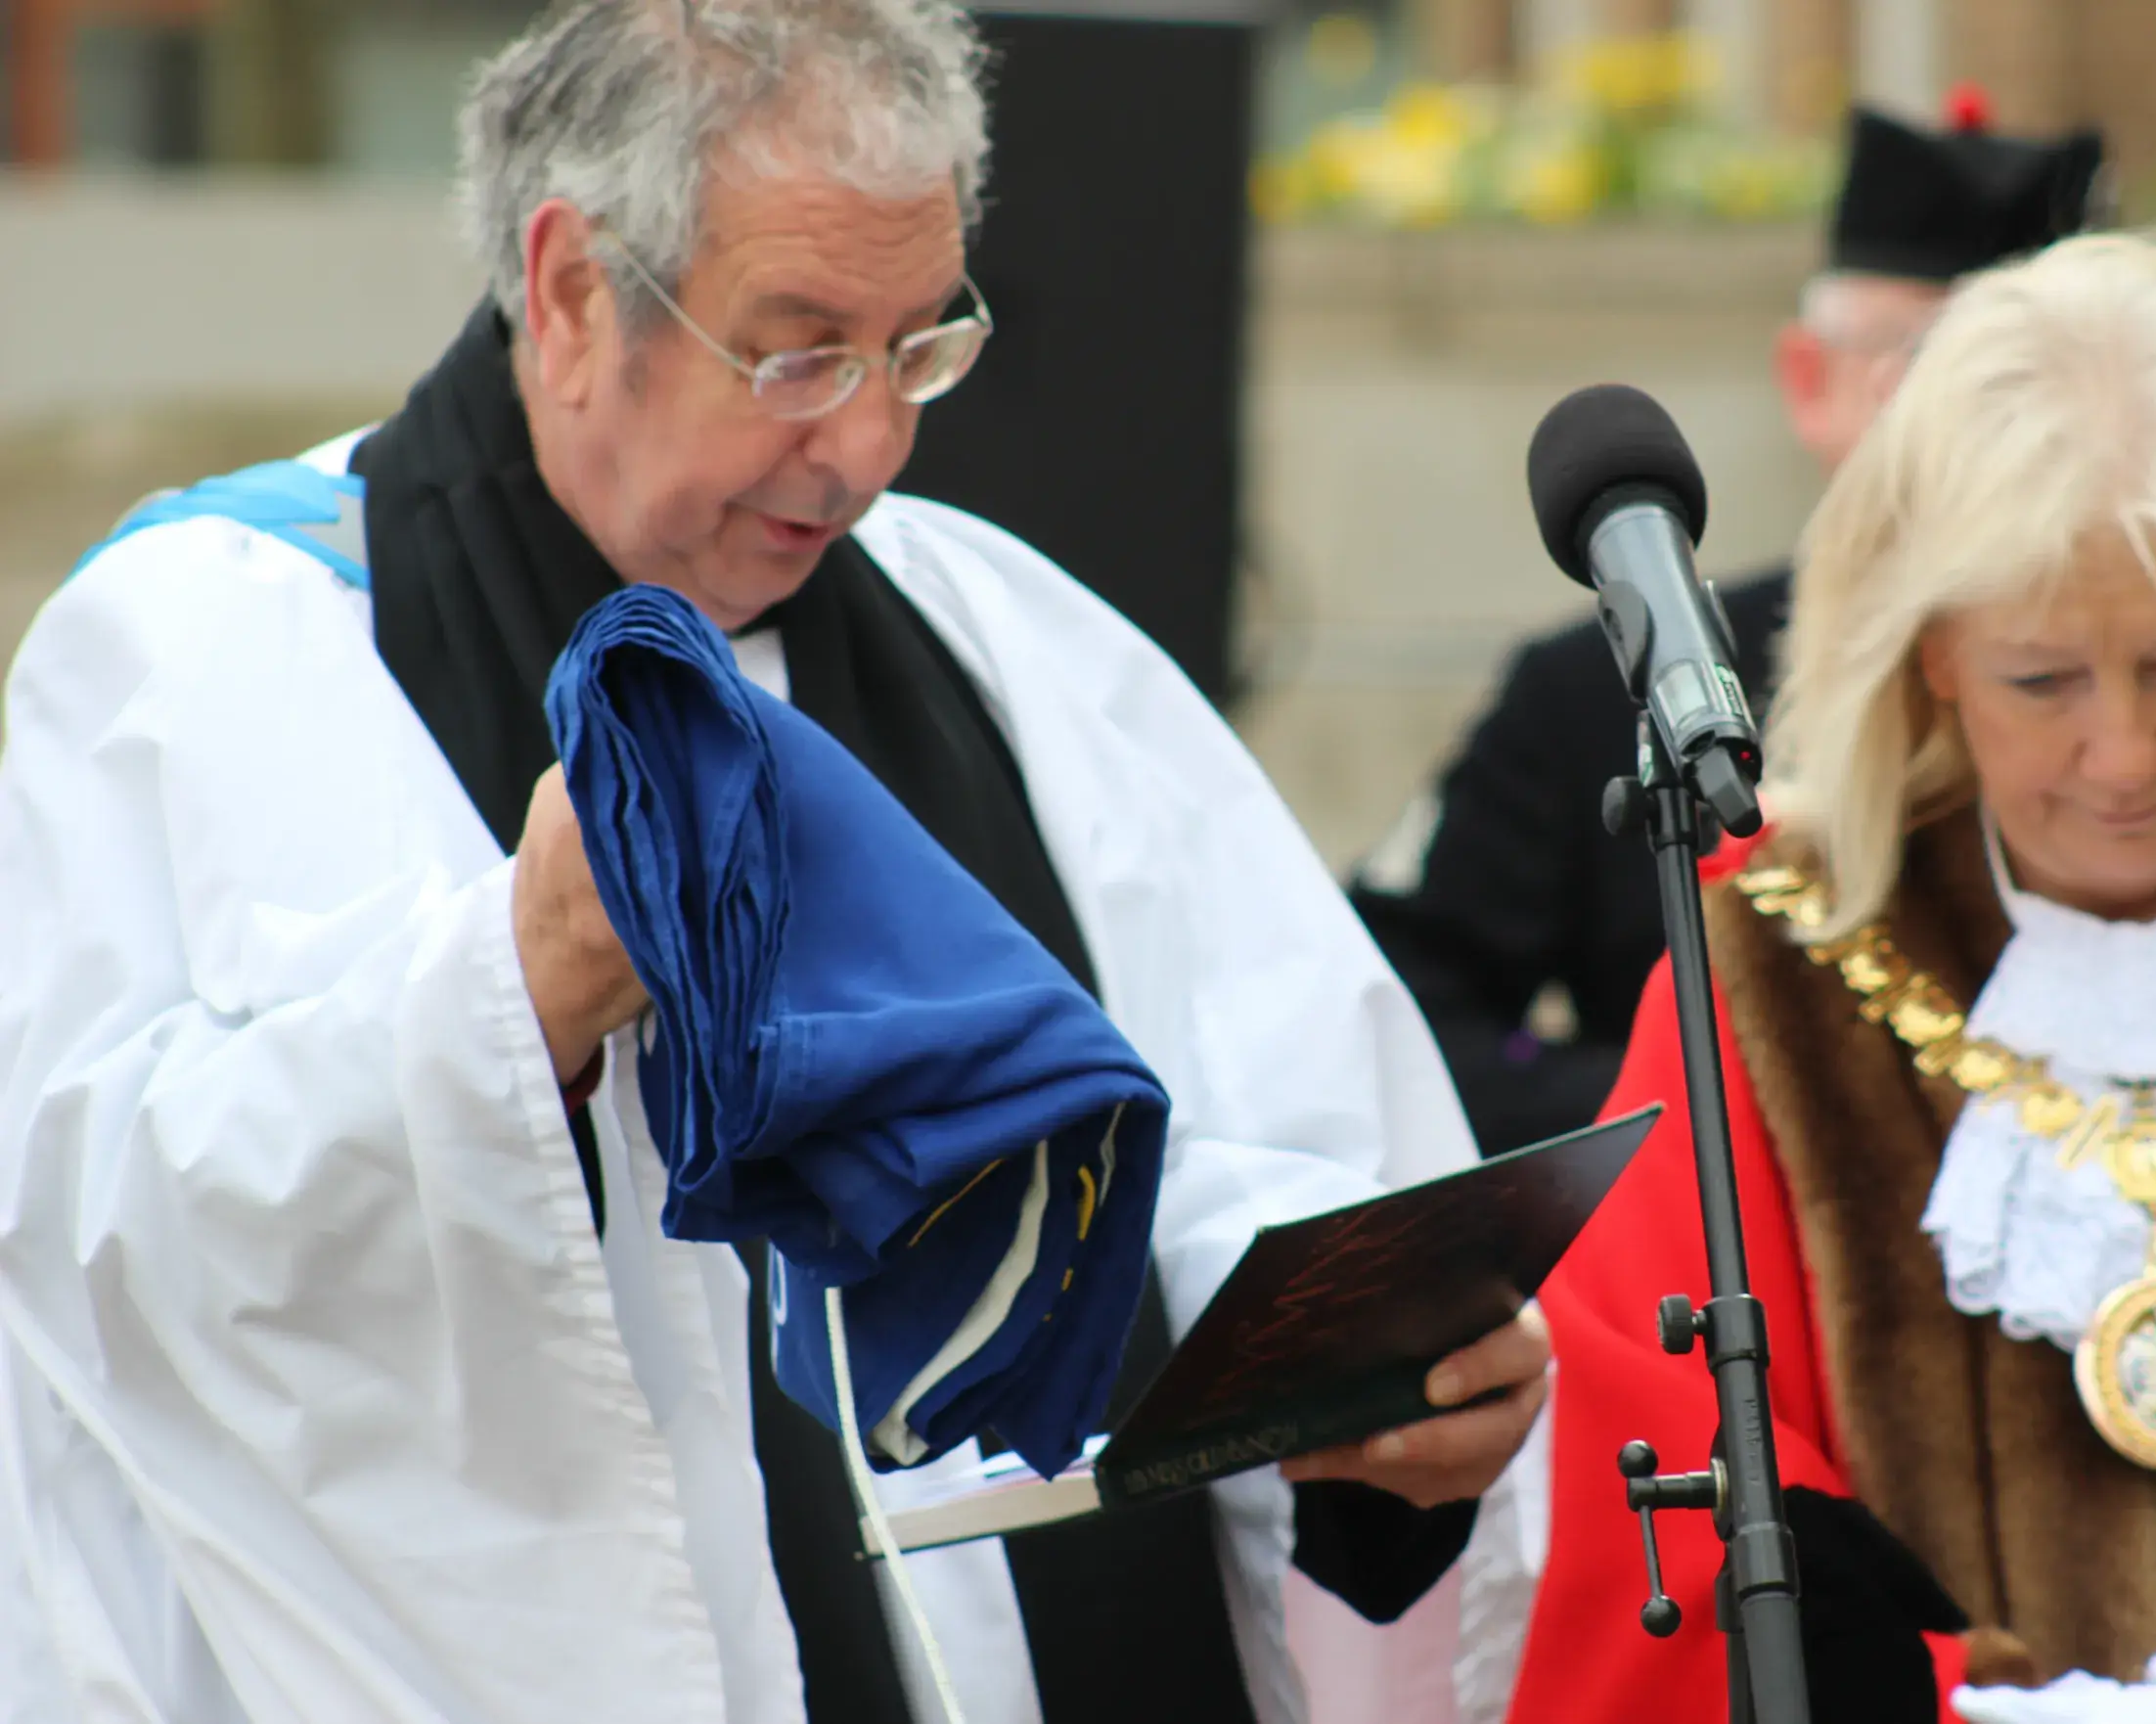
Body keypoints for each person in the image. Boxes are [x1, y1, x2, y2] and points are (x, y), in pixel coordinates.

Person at [0, 4, 1551, 1721]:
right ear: (576, 289)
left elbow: (1233, 1146)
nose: (870, 446)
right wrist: (513, 988)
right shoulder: (209, 647)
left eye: (917, 349)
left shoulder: (1002, 641)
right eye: (798, 350)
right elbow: (109, 1244)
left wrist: (1381, 1369)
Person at [1504, 230, 2156, 1723]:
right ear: (1930, 650)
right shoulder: (1759, 983)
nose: (2123, 753)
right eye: (2042, 678)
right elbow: (1655, 1472)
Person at [1352, 93, 2107, 1157]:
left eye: (2026, 383)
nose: (1969, 425)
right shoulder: (1597, 694)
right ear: (1811, 379)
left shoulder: (2150, 712)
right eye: (1928, 364)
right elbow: (1397, 1011)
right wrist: (1690, 1105)